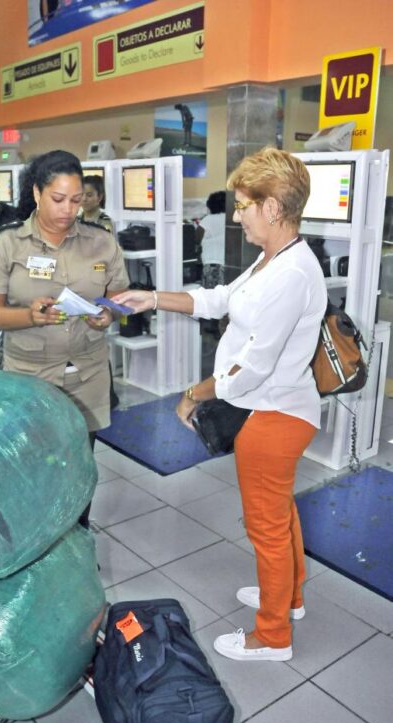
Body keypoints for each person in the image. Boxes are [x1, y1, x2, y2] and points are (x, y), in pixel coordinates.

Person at [113, 147, 328, 662]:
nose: (236, 215)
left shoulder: (291, 273)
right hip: (274, 408)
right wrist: (154, 298)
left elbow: (253, 367)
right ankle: (290, 597)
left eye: (243, 205)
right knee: (281, 516)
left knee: (267, 528)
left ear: (272, 207)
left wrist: (192, 394)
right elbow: (217, 300)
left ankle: (272, 635)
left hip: (274, 416)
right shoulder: (274, 257)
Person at [0, 150, 129, 526]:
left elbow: (120, 299)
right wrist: (29, 315)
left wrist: (108, 313)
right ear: (37, 192)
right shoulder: (7, 243)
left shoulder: (101, 241)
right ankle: (35, 552)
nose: (69, 209)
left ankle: (76, 546)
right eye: (59, 199)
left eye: (76, 200)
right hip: (30, 376)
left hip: (87, 375)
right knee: (32, 470)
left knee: (79, 467)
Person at [196, 191, 226, 289]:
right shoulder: (230, 219)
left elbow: (197, 239)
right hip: (226, 262)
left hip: (210, 262)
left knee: (209, 293)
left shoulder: (207, 220)